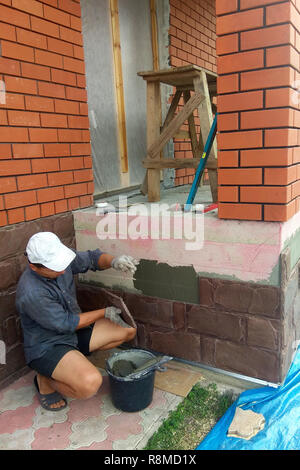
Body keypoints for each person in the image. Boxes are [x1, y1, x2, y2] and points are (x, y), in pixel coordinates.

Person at [16, 232, 138, 411]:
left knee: (127, 331)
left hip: (71, 333)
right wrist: (103, 312)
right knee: (90, 384)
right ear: (35, 267)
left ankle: (73, 360)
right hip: (48, 346)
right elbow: (66, 322)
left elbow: (92, 258)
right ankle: (46, 381)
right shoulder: (32, 293)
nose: (64, 270)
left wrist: (114, 261)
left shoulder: (59, 260)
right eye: (56, 267)